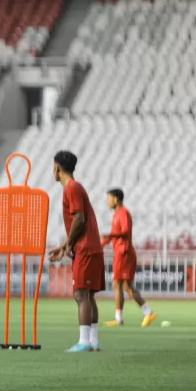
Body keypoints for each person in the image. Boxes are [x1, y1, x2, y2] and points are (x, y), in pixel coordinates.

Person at [48, 151, 105, 352]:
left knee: (81, 295)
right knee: (88, 296)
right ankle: (93, 341)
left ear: (57, 168)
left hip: (86, 248)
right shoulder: (75, 188)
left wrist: (67, 243)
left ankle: (84, 342)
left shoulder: (71, 188)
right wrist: (68, 245)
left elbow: (79, 218)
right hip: (89, 247)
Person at [101, 188, 156, 328]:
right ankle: (147, 312)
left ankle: (119, 318)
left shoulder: (123, 213)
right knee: (126, 286)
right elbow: (114, 235)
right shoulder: (116, 215)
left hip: (124, 253)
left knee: (117, 284)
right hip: (121, 253)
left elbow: (125, 232)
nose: (107, 201)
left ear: (116, 199)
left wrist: (109, 236)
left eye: (109, 198)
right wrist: (100, 245)